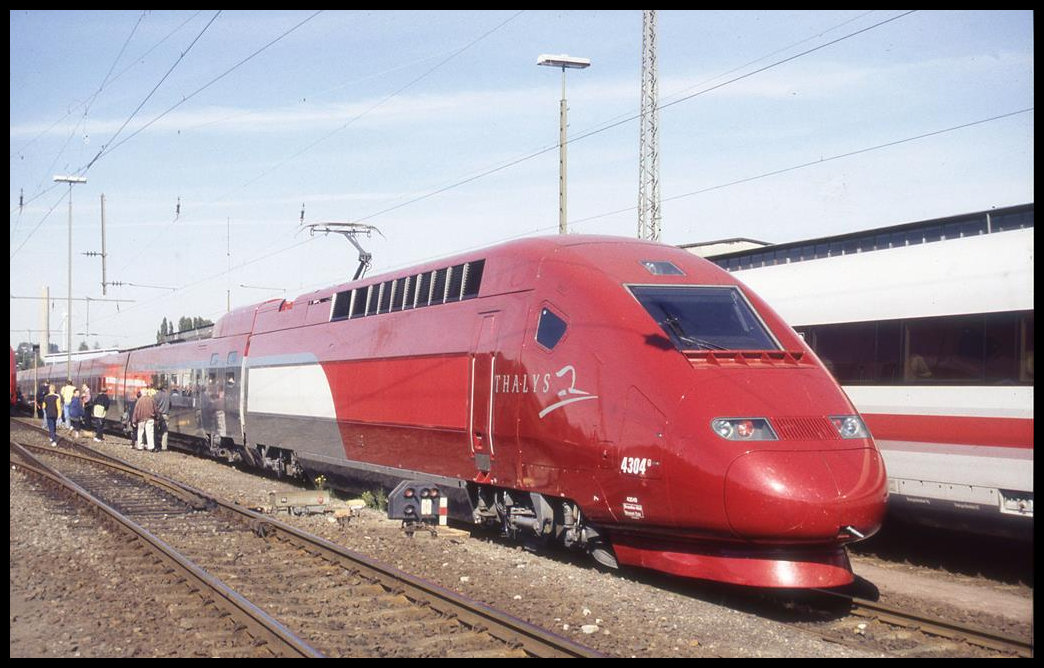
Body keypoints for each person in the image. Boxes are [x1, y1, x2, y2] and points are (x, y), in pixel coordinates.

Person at [132, 388, 157, 452]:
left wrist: (134, 421)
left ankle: (140, 446)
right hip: (150, 418)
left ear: (142, 394)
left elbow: (136, 411)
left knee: (140, 432)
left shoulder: (139, 400)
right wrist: (157, 418)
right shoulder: (151, 400)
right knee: (150, 433)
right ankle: (151, 447)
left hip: (141, 419)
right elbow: (156, 410)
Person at [153, 383, 170, 451]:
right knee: (165, 431)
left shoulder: (156, 396)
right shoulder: (167, 395)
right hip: (166, 415)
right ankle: (164, 447)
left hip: (158, 415)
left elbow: (154, 405)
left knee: (155, 431)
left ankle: (156, 445)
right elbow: (170, 404)